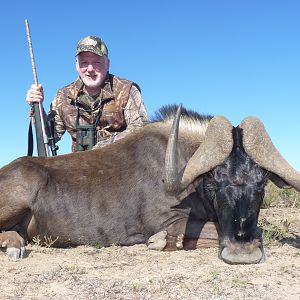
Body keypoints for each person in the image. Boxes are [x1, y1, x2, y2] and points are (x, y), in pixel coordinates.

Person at [26, 35, 148, 152]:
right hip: (80, 169)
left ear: (108, 64)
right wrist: (37, 108)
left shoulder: (127, 89)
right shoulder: (63, 96)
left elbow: (141, 129)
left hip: (120, 166)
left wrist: (102, 148)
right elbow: (49, 137)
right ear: (76, 65)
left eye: (97, 62)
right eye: (84, 63)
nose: (90, 69)